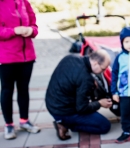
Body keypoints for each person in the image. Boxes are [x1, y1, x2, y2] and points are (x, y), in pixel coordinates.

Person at [45, 50, 112, 140]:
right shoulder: (85, 78)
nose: (102, 72)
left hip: (51, 103)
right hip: (63, 111)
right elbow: (82, 108)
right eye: (103, 69)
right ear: (95, 63)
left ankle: (64, 121)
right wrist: (100, 103)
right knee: (104, 126)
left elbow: (75, 77)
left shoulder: (71, 57)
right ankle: (65, 125)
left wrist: (91, 79)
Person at [0, 0, 40, 140]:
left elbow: (34, 26)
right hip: (6, 58)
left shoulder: (24, 2)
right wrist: (14, 31)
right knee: (7, 91)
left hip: (27, 57)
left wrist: (31, 30)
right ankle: (9, 125)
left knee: (23, 89)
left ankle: (24, 120)